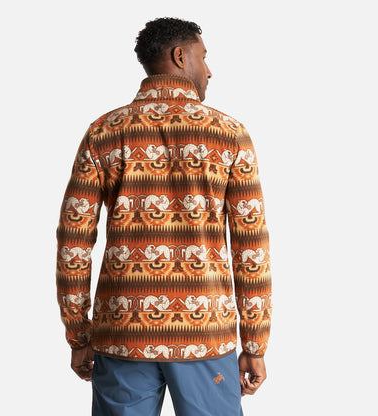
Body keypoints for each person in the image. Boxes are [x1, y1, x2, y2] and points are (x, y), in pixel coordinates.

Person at [56, 17, 272, 416]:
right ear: (180, 56)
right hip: (204, 334)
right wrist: (255, 344)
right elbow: (250, 247)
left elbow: (73, 242)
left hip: (122, 333)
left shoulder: (104, 132)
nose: (209, 70)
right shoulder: (228, 134)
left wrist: (78, 334)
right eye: (203, 57)